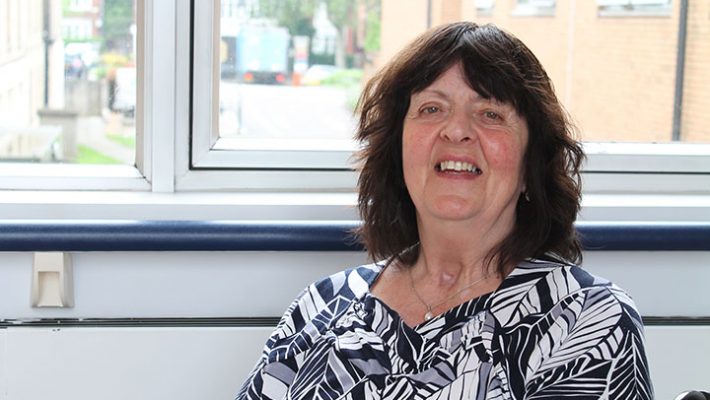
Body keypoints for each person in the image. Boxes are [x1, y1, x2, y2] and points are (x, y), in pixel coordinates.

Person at [236, 22, 653, 399]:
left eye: (490, 113)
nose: (456, 130)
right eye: (431, 109)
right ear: (398, 151)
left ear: (531, 166)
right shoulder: (321, 305)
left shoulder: (586, 318)